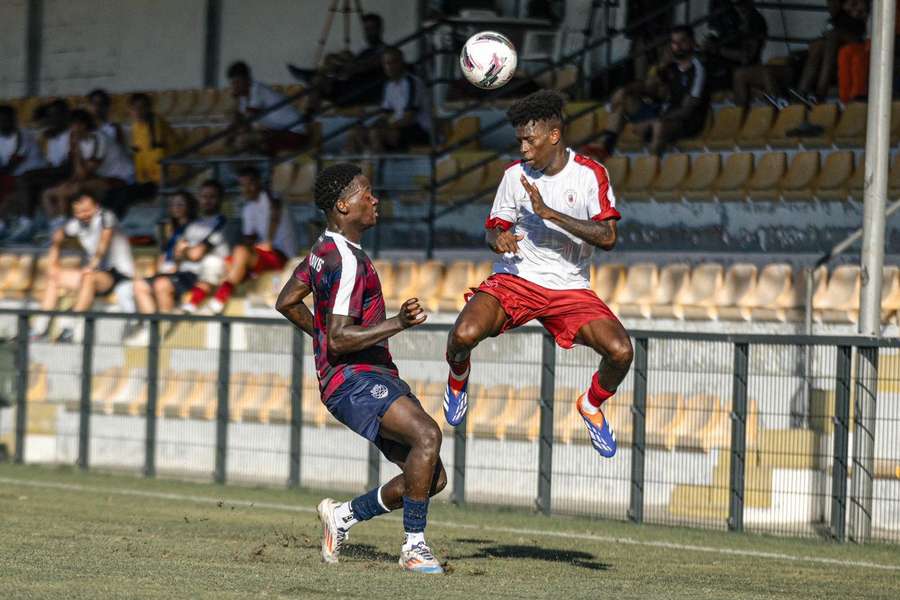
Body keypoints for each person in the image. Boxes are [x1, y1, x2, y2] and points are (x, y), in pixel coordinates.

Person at [443, 90, 632, 458]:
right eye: (520, 141)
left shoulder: (591, 174)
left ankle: (591, 406)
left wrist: (549, 213)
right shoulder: (514, 176)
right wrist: (497, 239)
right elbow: (492, 229)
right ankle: (457, 380)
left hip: (569, 287)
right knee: (462, 335)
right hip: (517, 278)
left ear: (554, 136)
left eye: (529, 140)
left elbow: (608, 237)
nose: (523, 148)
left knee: (621, 353)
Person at [275, 162, 445, 573]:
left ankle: (343, 516)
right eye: (365, 194)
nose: (374, 200)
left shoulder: (323, 250)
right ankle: (414, 548)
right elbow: (338, 337)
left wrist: (322, 342)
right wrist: (397, 323)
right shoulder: (345, 261)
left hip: (361, 377)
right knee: (427, 434)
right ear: (342, 205)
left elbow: (287, 301)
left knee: (429, 479)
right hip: (355, 379)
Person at [186, 166, 297, 314]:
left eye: (249, 183)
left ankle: (218, 298)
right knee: (228, 259)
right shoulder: (248, 209)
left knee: (239, 252)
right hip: (264, 255)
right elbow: (248, 238)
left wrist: (269, 240)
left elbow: (275, 214)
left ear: (258, 183)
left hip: (282, 255)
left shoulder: (270, 197)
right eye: (242, 185)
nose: (245, 188)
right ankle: (198, 301)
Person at [32, 190, 135, 342]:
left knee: (88, 276)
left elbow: (103, 244)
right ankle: (40, 329)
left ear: (97, 207)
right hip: (95, 274)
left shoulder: (106, 217)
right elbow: (58, 237)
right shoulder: (75, 224)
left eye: (87, 210)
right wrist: (53, 264)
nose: (84, 215)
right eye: (79, 212)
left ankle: (69, 328)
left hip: (119, 275)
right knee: (54, 276)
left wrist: (92, 265)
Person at [596, 25, 709, 157]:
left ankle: (651, 167)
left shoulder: (698, 69)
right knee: (625, 100)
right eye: (674, 42)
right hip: (662, 113)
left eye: (682, 41)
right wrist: (626, 89)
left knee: (658, 125)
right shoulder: (670, 67)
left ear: (692, 42)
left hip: (685, 122)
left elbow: (686, 110)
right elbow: (650, 89)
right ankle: (604, 151)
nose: (677, 46)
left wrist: (650, 121)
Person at [41, 109, 135, 230]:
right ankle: (55, 229)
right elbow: (78, 173)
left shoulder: (99, 139)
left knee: (72, 190)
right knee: (48, 194)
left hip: (123, 178)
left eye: (73, 125)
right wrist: (68, 182)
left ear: (83, 125)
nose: (71, 130)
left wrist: (76, 151)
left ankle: (64, 231)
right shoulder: (80, 142)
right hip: (102, 177)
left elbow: (84, 173)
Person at [288, 13, 388, 112]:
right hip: (348, 87)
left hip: (361, 91)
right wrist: (341, 60)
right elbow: (355, 65)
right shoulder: (366, 51)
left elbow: (364, 66)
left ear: (380, 29)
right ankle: (310, 112)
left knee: (320, 78)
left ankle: (310, 77)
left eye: (372, 29)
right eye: (366, 30)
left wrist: (344, 67)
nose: (368, 33)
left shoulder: (386, 51)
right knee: (320, 76)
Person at [345, 47, 431, 153]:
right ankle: (360, 165)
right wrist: (368, 127)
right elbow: (385, 115)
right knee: (354, 132)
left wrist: (380, 127)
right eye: (386, 63)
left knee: (375, 133)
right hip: (399, 128)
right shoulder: (389, 86)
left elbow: (408, 118)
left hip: (419, 130)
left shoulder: (413, 83)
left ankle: (379, 166)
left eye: (393, 63)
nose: (389, 67)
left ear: (401, 63)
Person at [133, 191, 199, 315]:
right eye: (173, 205)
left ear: (189, 207)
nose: (176, 208)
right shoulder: (173, 230)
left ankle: (163, 325)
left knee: (161, 284)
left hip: (187, 274)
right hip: (166, 273)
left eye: (180, 204)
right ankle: (150, 326)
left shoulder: (195, 227)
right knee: (139, 285)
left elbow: (188, 255)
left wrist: (176, 265)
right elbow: (165, 255)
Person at [792, 0, 870, 104]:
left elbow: (864, 30)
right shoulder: (838, 15)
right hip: (835, 49)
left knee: (832, 36)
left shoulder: (869, 9)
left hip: (858, 43)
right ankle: (802, 93)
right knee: (819, 46)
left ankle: (819, 93)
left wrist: (858, 11)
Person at [227, 61, 308, 155]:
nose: (235, 86)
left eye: (237, 82)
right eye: (232, 83)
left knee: (245, 139)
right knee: (236, 139)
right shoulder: (243, 98)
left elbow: (246, 122)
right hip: (278, 132)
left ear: (247, 79)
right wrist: (235, 100)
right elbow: (236, 122)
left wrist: (235, 133)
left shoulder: (257, 89)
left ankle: (252, 167)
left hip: (295, 133)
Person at [0, 104, 47, 241]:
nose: (2, 123)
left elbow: (11, 166)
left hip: (33, 173)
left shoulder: (23, 136)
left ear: (13, 120)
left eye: (6, 120)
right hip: (12, 176)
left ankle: (26, 223)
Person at [128, 93, 181, 186]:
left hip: (168, 173)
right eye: (134, 108)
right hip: (149, 177)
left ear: (149, 108)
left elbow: (158, 153)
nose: (138, 111)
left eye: (142, 108)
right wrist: (140, 179)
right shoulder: (135, 127)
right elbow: (138, 154)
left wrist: (158, 180)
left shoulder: (155, 123)